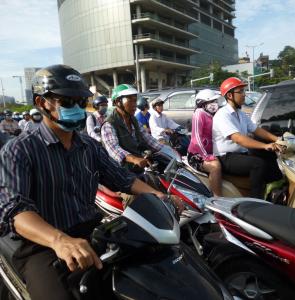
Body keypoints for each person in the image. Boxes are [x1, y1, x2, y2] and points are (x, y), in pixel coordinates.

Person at [0, 65, 183, 300]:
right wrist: (60, 241)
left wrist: (159, 196)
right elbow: (15, 210)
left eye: (81, 101)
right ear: (42, 102)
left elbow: (122, 178)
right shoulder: (19, 150)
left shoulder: (89, 146)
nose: (76, 108)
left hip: (92, 231)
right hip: (43, 244)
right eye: (67, 101)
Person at [212, 77, 284, 199]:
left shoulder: (240, 113)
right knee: (257, 164)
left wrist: (277, 139)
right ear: (229, 95)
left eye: (243, 91)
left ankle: (275, 188)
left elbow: (256, 130)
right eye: (241, 92)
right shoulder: (222, 115)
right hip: (226, 157)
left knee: (270, 154)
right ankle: (256, 201)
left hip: (240, 154)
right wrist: (265, 145)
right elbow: (238, 138)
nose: (244, 95)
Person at [101, 84, 164, 174]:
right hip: (120, 172)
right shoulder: (109, 124)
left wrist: (166, 150)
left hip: (138, 168)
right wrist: (134, 159)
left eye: (135, 101)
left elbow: (148, 138)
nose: (134, 105)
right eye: (130, 101)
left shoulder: (134, 120)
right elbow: (114, 149)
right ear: (117, 102)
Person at [187, 89, 223, 196]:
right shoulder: (199, 114)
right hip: (196, 155)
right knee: (215, 167)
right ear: (203, 104)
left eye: (215, 101)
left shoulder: (213, 114)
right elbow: (196, 138)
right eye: (211, 102)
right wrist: (205, 156)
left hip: (211, 153)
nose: (214, 104)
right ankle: (217, 200)